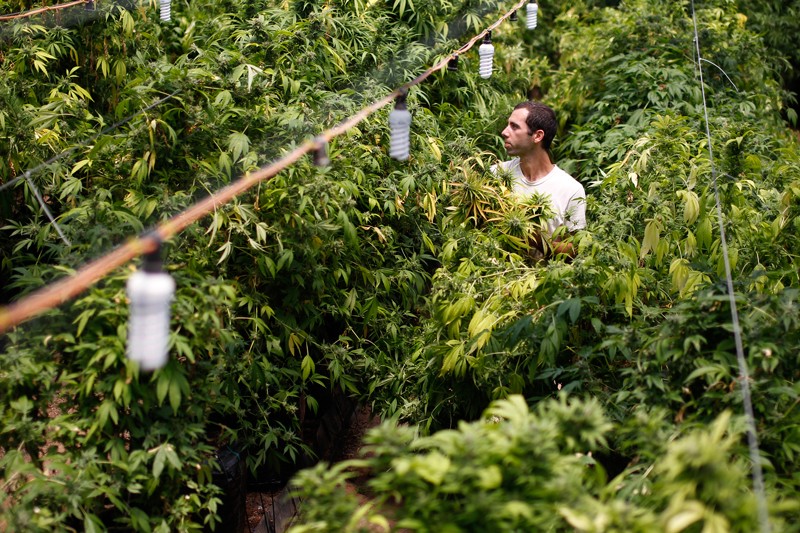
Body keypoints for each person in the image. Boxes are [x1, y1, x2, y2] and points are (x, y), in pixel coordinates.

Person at [492, 101, 586, 258]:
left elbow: (576, 250)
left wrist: (537, 239)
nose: (504, 132)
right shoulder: (496, 174)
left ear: (538, 136)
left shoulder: (570, 190)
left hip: (540, 279)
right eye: (507, 125)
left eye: (514, 127)